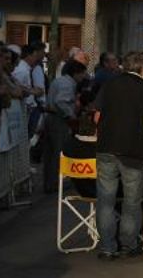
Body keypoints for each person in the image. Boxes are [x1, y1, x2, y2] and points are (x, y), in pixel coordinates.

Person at [94, 52, 143, 260]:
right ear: (142, 68)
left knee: (105, 201)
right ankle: (128, 244)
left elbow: (97, 116)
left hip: (106, 148)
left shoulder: (109, 84)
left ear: (124, 66)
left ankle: (107, 247)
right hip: (132, 151)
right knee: (131, 201)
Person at [43, 60, 88, 193]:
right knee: (58, 151)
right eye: (82, 74)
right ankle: (54, 183)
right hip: (58, 119)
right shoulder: (67, 84)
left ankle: (50, 182)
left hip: (51, 117)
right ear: (76, 73)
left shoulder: (60, 81)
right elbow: (61, 101)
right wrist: (70, 115)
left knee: (50, 152)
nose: (83, 77)